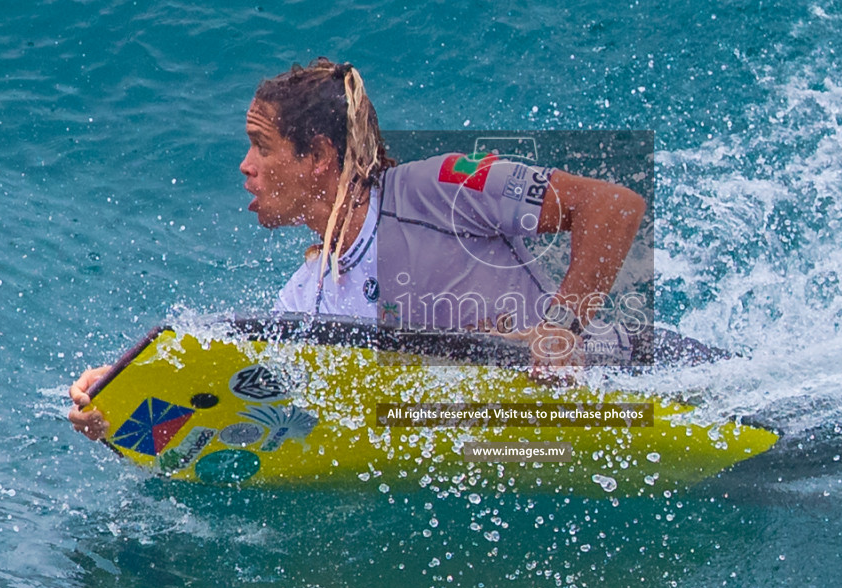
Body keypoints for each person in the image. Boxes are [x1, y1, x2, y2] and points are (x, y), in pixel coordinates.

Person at [69, 58, 647, 440]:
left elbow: (614, 207)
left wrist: (563, 326)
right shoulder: (307, 299)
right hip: (498, 431)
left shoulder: (439, 188)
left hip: (624, 382)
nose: (245, 168)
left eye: (261, 148)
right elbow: (258, 405)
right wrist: (121, 394)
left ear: (317, 156)